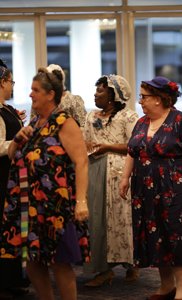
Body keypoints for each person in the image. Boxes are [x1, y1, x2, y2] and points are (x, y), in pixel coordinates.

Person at [119, 76, 182, 300]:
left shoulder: (181, 121)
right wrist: (125, 177)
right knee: (155, 238)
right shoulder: (141, 123)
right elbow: (132, 152)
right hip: (146, 192)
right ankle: (167, 286)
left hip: (177, 192)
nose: (140, 101)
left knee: (178, 238)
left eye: (144, 97)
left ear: (158, 99)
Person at [0, 67, 90, 300]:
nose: (30, 94)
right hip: (26, 205)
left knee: (60, 263)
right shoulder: (36, 123)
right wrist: (17, 140)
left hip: (54, 205)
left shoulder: (64, 122)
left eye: (35, 90)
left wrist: (81, 201)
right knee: (31, 261)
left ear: (51, 94)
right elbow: (12, 156)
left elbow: (81, 162)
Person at [83, 74, 139, 287]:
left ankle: (131, 264)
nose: (95, 94)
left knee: (121, 219)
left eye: (100, 91)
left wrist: (107, 147)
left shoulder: (128, 117)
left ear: (113, 95)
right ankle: (102, 270)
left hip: (119, 174)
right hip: (95, 170)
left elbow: (134, 146)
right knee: (96, 219)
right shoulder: (91, 116)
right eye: (96, 90)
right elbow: (86, 140)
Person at [0, 59, 29, 299]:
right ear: (2, 82)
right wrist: (19, 139)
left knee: (12, 225)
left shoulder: (6, 108)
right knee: (4, 226)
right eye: (11, 82)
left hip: (12, 173)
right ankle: (6, 278)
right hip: (2, 174)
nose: (12, 86)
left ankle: (13, 276)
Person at [31, 64, 87, 128]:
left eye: (36, 90)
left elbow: (83, 127)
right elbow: (32, 125)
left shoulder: (73, 100)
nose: (31, 94)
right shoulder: (38, 101)